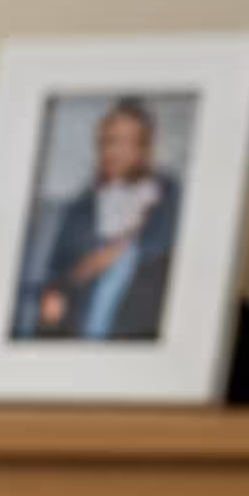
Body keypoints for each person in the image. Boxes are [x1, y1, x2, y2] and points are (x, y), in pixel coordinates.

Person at [24, 98, 182, 340]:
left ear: (145, 148)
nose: (110, 151)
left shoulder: (171, 197)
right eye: (105, 142)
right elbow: (57, 276)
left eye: (122, 142)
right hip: (78, 333)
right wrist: (71, 280)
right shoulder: (80, 207)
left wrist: (126, 250)